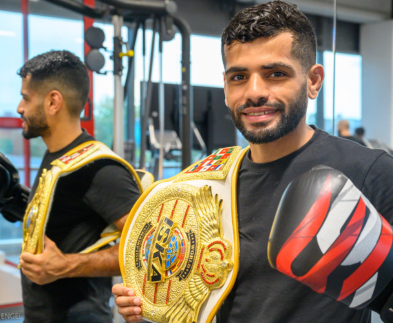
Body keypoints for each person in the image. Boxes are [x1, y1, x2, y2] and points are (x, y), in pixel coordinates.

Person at [112, 1, 393, 323]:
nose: (254, 92)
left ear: (313, 81)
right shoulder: (210, 182)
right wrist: (150, 302)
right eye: (239, 77)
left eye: (276, 74)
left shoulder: (370, 172)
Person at [15, 50, 141, 323]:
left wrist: (65, 266)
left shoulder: (99, 169)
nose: (19, 108)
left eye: (26, 97)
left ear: (53, 101)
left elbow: (146, 249)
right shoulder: (56, 158)